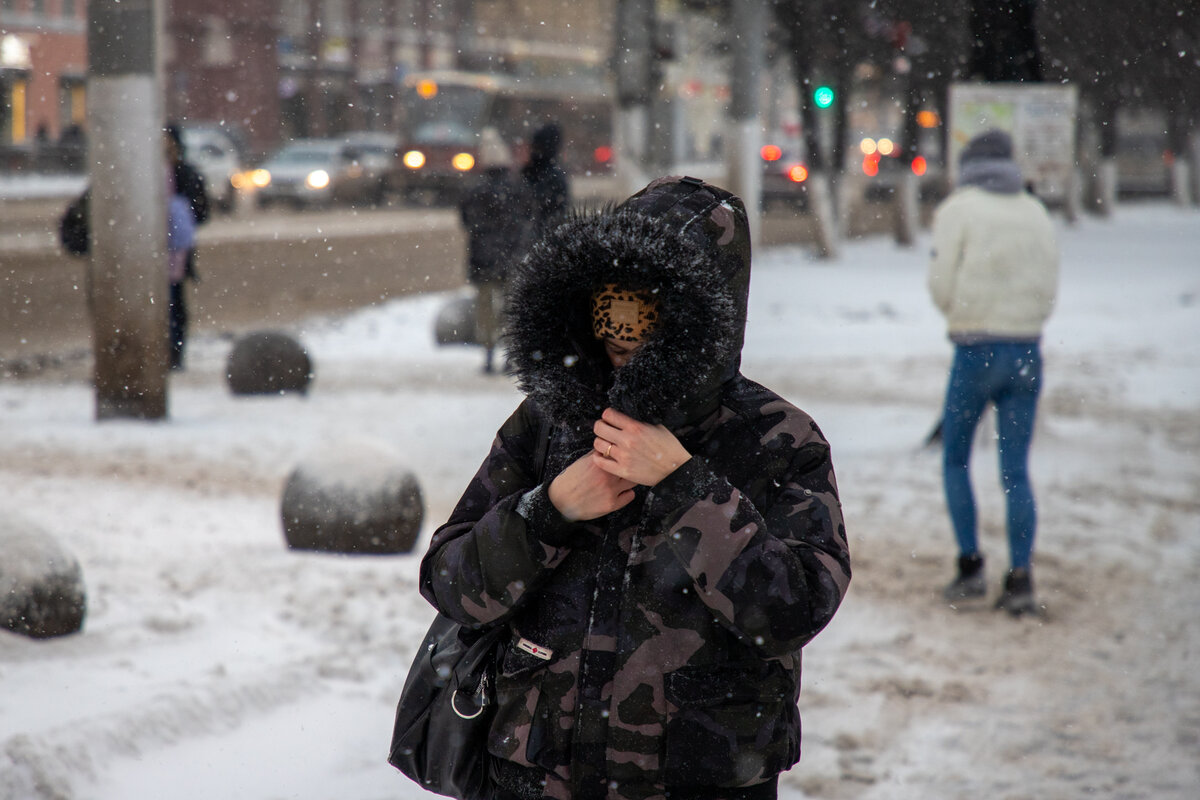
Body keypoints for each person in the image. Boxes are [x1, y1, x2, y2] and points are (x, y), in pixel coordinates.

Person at [420, 176, 851, 800]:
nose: (622, 329)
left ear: (701, 312)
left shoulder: (775, 439)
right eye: (608, 301)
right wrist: (549, 511)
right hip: (535, 778)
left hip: (697, 782)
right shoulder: (549, 421)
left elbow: (791, 610)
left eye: (646, 305)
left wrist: (685, 486)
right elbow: (450, 583)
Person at [928, 129, 1059, 616]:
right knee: (1016, 471)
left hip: (975, 351)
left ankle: (970, 567)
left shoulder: (958, 209)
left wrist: (964, 314)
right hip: (1027, 350)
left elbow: (941, 283)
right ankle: (1020, 578)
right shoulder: (1035, 210)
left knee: (956, 459)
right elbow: (1050, 285)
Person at [459, 127, 531, 373]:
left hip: (482, 258)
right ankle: (510, 356)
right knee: (510, 307)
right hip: (511, 257)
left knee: (485, 308)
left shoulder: (474, 189)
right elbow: (527, 218)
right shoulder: (517, 188)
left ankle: (488, 354)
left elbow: (466, 221)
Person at [164, 123, 210, 370]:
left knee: (173, 302)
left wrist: (179, 215)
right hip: (156, 248)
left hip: (176, 249)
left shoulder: (185, 174)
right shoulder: (145, 173)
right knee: (166, 302)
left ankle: (173, 353)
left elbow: (201, 211)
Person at [520, 122, 569, 240]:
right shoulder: (555, 176)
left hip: (523, 243)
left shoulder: (526, 173)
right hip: (544, 242)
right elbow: (559, 214)